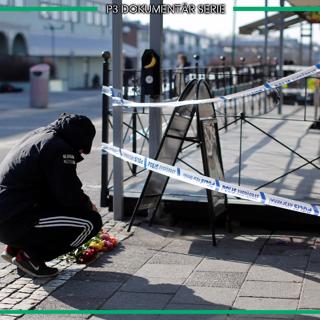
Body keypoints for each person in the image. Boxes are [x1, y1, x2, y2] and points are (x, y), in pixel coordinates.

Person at [0, 113, 102, 278]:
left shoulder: (40, 135)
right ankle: (31, 257)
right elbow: (69, 194)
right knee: (90, 222)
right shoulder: (59, 149)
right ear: (77, 139)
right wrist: (89, 206)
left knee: (60, 207)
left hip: (9, 214)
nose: (81, 152)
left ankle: (16, 247)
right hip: (14, 219)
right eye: (82, 148)